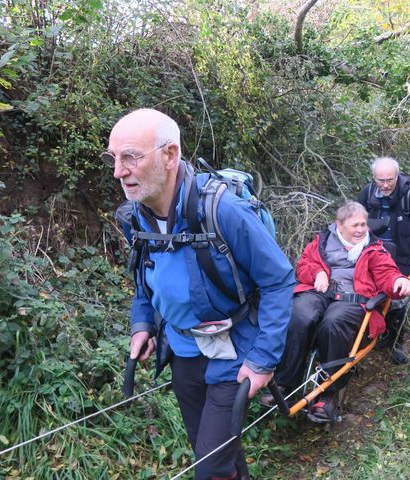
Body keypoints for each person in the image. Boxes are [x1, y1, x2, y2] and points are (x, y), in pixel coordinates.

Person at [107, 108, 295, 480]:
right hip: (182, 351)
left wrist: (263, 360)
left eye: (130, 157)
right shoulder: (134, 218)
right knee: (212, 456)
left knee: (208, 468)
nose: (118, 171)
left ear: (170, 155)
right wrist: (142, 323)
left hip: (234, 351)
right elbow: (146, 279)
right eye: (112, 158)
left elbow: (279, 280)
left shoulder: (223, 210)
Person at [260, 202, 410, 422]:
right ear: (339, 225)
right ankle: (284, 384)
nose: (361, 230)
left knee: (333, 323)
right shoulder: (321, 242)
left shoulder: (374, 248)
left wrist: (399, 281)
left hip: (353, 299)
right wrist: (318, 273)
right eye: (355, 225)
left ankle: (328, 395)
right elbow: (303, 266)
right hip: (319, 292)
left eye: (364, 224)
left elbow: (387, 273)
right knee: (299, 314)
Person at [356, 157, 410, 364]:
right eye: (380, 180)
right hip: (371, 259)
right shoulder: (366, 194)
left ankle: (397, 342)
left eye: (389, 180)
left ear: (397, 176)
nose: (385, 185)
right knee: (372, 299)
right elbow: (354, 223)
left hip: (402, 259)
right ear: (374, 178)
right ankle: (379, 335)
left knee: (397, 302)